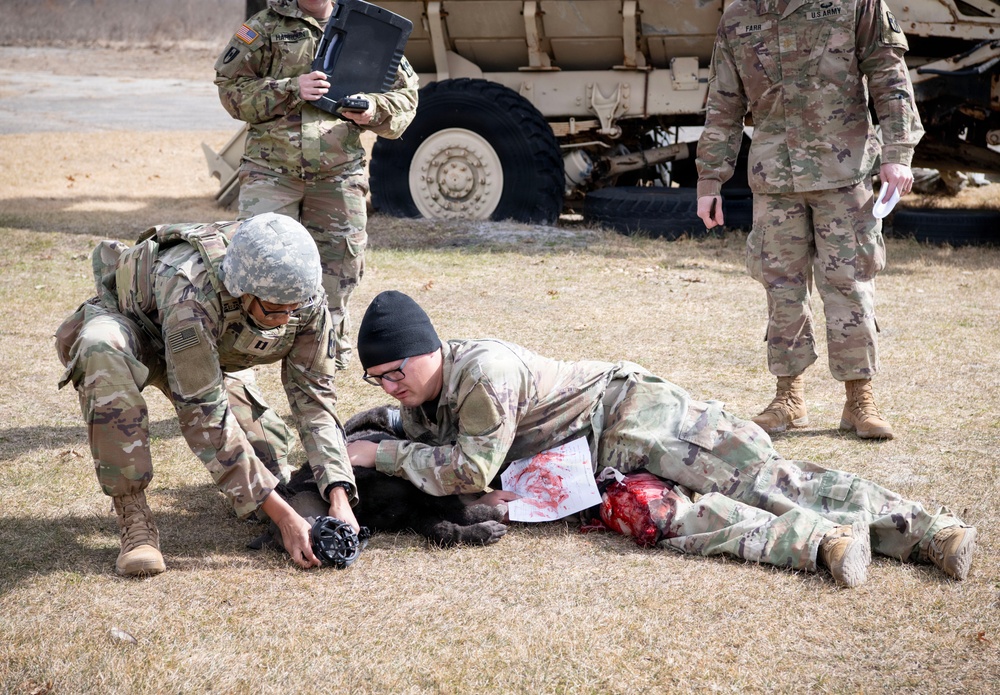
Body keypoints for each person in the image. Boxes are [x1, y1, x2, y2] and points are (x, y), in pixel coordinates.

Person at [346, 290, 977, 587]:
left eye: (397, 371)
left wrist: (381, 454)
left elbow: (466, 471)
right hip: (591, 465)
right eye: (379, 378)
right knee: (682, 519)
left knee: (761, 479)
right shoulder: (425, 400)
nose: (391, 386)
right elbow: (419, 435)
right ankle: (826, 545)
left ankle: (926, 531)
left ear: (429, 348)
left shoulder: (482, 371)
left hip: (631, 414)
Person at [55, 213, 359, 576]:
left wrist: (339, 492)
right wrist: (283, 516)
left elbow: (315, 399)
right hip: (138, 333)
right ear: (242, 289)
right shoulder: (191, 289)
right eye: (274, 311)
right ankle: (134, 518)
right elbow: (203, 413)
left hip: (206, 350)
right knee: (100, 350)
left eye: (293, 310)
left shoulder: (300, 295)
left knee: (271, 470)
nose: (285, 318)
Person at [694, 0, 924, 440]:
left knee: (849, 283)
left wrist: (897, 154)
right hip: (774, 178)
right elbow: (723, 103)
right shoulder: (738, 15)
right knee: (781, 287)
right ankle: (788, 399)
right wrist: (710, 179)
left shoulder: (856, 3)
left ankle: (860, 399)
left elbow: (888, 74)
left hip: (844, 171)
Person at [214, 0, 419, 370]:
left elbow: (406, 96)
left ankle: (323, 366)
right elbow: (231, 90)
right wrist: (293, 87)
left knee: (338, 276)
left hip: (338, 176)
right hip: (272, 173)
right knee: (250, 268)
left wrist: (374, 110)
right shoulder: (264, 26)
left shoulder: (369, 26)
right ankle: (236, 365)